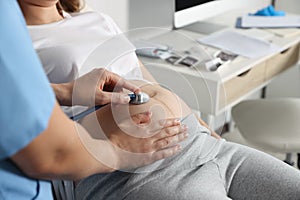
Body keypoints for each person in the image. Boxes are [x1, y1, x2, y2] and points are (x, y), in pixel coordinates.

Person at [18, 0, 300, 199]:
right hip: (136, 174)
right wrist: (66, 89)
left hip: (205, 146)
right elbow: (20, 110)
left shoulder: (96, 20)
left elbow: (145, 78)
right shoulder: (16, 41)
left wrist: (200, 123)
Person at [0, 1, 187, 199]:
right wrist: (118, 151)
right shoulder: (15, 38)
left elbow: (152, 83)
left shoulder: (98, 19)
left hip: (185, 134)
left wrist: (207, 131)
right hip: (125, 165)